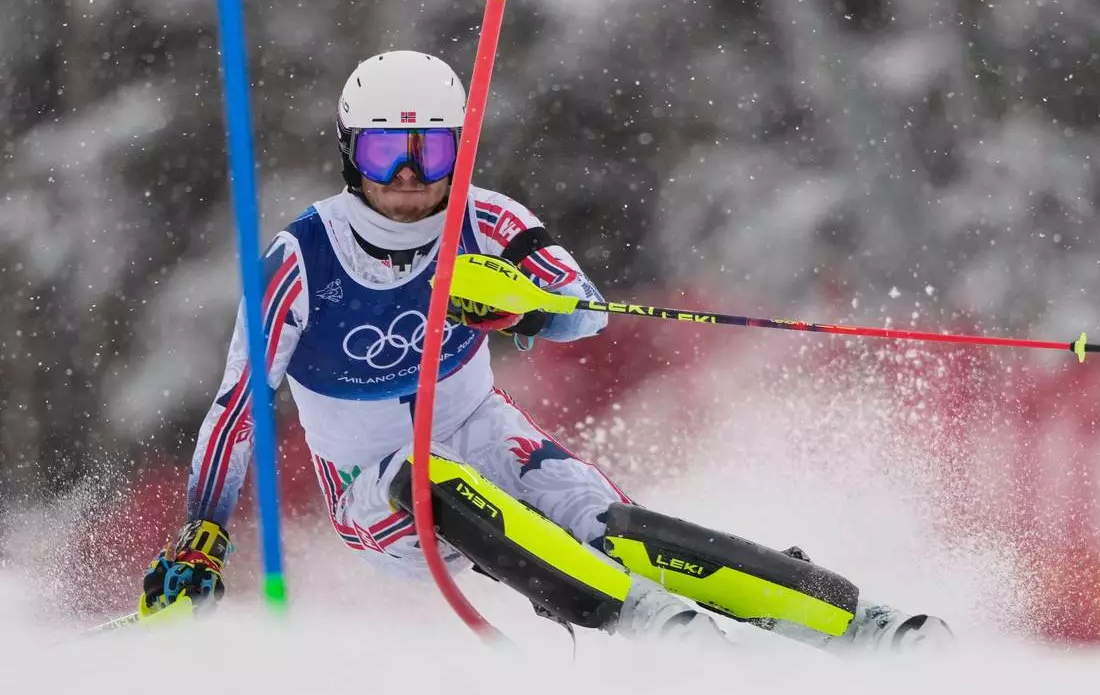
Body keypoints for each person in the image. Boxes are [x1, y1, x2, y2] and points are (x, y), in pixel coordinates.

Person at [140, 50, 951, 652]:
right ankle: (643, 622)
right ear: (352, 152)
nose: (414, 180)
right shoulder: (302, 258)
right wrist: (203, 536)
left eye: (436, 155)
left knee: (610, 527)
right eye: (391, 154)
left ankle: (852, 620)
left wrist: (519, 302)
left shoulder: (484, 220)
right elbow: (235, 406)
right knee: (419, 478)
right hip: (372, 490)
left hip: (488, 432)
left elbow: (586, 312)